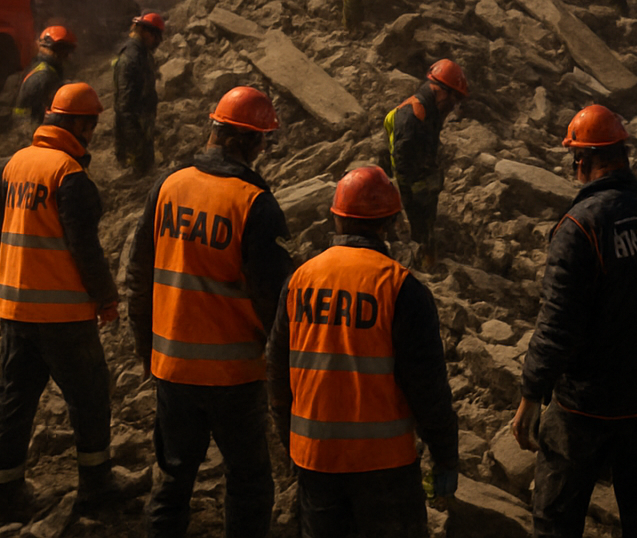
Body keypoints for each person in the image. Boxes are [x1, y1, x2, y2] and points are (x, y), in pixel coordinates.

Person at [511, 105, 637, 538]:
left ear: (583, 160)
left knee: (556, 519)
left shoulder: (580, 227)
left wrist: (530, 394)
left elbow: (558, 325)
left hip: (586, 405)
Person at [128, 86, 296, 538]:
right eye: (263, 140)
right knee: (248, 480)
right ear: (249, 142)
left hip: (173, 369)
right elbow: (274, 301)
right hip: (233, 375)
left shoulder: (168, 186)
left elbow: (139, 276)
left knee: (173, 479)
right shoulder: (254, 204)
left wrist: (149, 352)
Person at [0, 83, 144, 522]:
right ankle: (97, 485)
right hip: (64, 316)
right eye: (91, 125)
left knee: (16, 400)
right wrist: (107, 297)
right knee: (89, 399)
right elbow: (84, 249)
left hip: (14, 311)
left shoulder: (11, 165)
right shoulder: (70, 176)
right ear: (82, 125)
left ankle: (3, 496)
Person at [267, 166, 459, 538]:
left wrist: (290, 440)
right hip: (384, 468)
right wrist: (445, 456)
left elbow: (276, 370)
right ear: (388, 222)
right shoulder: (401, 288)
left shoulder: (301, 280)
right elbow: (428, 388)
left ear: (336, 218)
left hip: (316, 460)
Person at [383, 60, 469, 268]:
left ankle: (425, 252)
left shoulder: (432, 109)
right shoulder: (413, 114)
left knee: (425, 216)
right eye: (454, 98)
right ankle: (417, 259)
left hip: (418, 173)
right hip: (408, 179)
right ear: (441, 91)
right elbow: (402, 160)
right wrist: (413, 193)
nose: (454, 105)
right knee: (416, 222)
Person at [113, 12, 165, 175]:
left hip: (142, 129)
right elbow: (125, 105)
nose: (157, 42)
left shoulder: (141, 53)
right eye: (155, 36)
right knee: (137, 176)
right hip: (134, 133)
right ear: (144, 31)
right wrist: (134, 143)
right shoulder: (131, 57)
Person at [13, 25, 79, 129]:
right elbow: (27, 118)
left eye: (67, 50)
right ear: (46, 46)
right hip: (35, 130)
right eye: (61, 49)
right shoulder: (44, 76)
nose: (66, 55)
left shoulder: (43, 67)